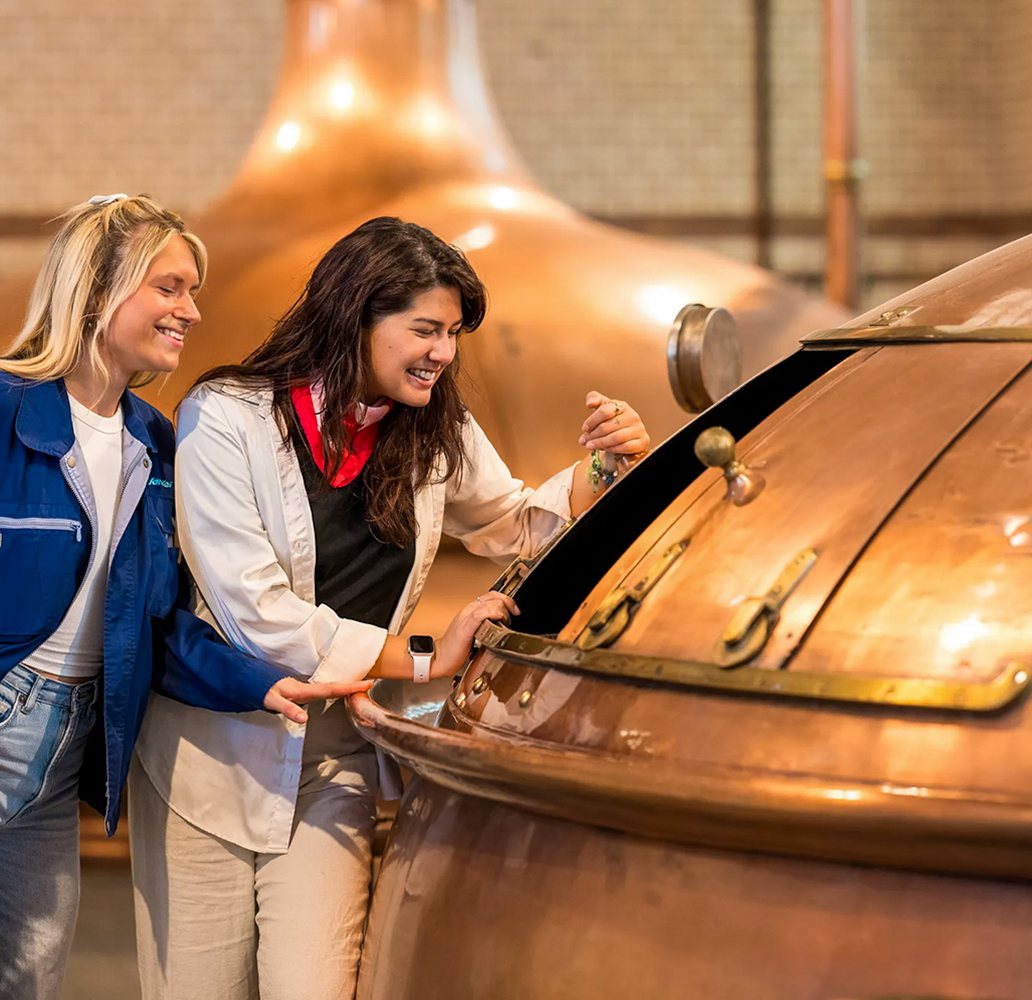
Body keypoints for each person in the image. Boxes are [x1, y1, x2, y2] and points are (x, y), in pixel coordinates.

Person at [0, 193, 369, 1000]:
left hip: (57, 758)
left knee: (29, 984)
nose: (192, 309)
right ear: (97, 289)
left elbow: (152, 621)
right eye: (170, 287)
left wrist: (257, 681)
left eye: (192, 290)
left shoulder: (154, 439)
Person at [130, 216, 651, 1000]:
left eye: (452, 334)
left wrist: (609, 468)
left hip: (333, 760)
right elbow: (257, 615)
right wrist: (421, 659)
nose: (443, 352)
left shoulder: (435, 428)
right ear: (356, 317)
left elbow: (516, 524)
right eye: (425, 329)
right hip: (207, 763)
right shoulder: (227, 415)